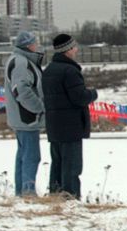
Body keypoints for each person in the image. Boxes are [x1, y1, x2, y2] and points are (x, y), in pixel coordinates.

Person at [41, 34, 97, 199]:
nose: (76, 50)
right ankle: (70, 198)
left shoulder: (49, 70)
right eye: (74, 47)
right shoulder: (70, 71)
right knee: (72, 166)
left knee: (57, 164)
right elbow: (79, 97)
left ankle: (55, 196)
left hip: (54, 126)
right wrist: (92, 94)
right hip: (71, 126)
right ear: (68, 50)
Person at [4, 31, 46, 196]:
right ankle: (28, 192)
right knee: (31, 156)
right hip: (27, 118)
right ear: (29, 45)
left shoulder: (19, 59)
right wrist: (40, 107)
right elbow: (21, 90)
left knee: (23, 155)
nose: (38, 46)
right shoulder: (21, 62)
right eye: (35, 43)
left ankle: (21, 192)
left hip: (23, 118)